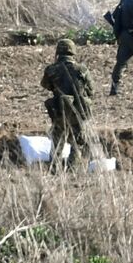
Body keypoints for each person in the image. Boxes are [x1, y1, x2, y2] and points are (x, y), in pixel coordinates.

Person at [41, 39, 94, 168]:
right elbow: (91, 90)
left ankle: (54, 167)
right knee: (77, 142)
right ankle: (73, 168)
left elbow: (45, 85)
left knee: (57, 140)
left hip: (60, 109)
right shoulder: (82, 69)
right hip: (78, 110)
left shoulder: (51, 69)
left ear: (58, 52)